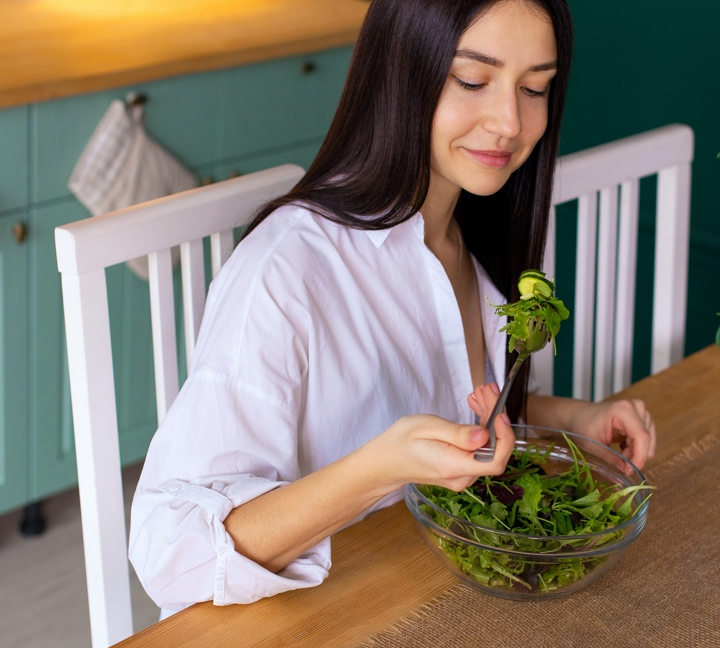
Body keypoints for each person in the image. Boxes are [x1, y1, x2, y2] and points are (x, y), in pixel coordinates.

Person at [129, 0, 656, 615]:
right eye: (472, 81)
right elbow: (172, 560)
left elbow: (443, 406)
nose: (510, 121)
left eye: (535, 88)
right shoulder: (287, 269)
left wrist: (573, 418)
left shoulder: (467, 243)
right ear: (401, 72)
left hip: (414, 597)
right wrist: (377, 469)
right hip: (297, 628)